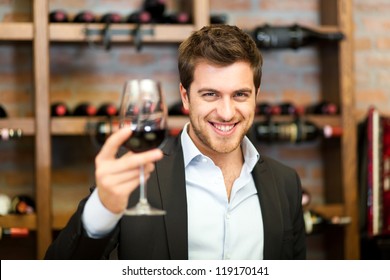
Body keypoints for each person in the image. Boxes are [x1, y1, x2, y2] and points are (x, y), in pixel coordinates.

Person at [45, 24, 306, 260]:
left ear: (256, 96)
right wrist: (101, 209)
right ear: (185, 97)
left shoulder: (286, 183)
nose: (227, 112)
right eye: (210, 94)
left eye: (240, 94)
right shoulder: (136, 178)